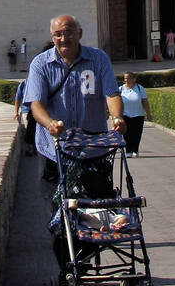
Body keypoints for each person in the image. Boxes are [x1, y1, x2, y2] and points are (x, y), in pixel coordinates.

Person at [27, 15, 125, 188]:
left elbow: (111, 94)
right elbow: (36, 104)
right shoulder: (40, 64)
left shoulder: (98, 59)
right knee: (55, 207)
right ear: (52, 37)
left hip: (93, 150)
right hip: (54, 151)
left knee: (97, 205)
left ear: (79, 33)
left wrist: (117, 117)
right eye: (58, 34)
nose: (63, 39)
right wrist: (50, 124)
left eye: (69, 33)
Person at [119, 72, 153, 156]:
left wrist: (148, 113)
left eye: (128, 78)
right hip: (125, 114)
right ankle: (128, 151)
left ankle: (135, 149)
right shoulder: (120, 89)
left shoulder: (139, 88)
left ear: (134, 79)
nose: (126, 80)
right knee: (127, 134)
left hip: (138, 115)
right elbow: (117, 102)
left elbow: (145, 101)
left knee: (137, 133)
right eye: (125, 78)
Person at [13, 80, 35, 156]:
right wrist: (16, 112)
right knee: (28, 130)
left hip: (37, 112)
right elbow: (17, 99)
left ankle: (34, 148)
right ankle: (30, 148)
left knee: (35, 130)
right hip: (26, 111)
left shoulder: (38, 83)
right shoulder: (23, 84)